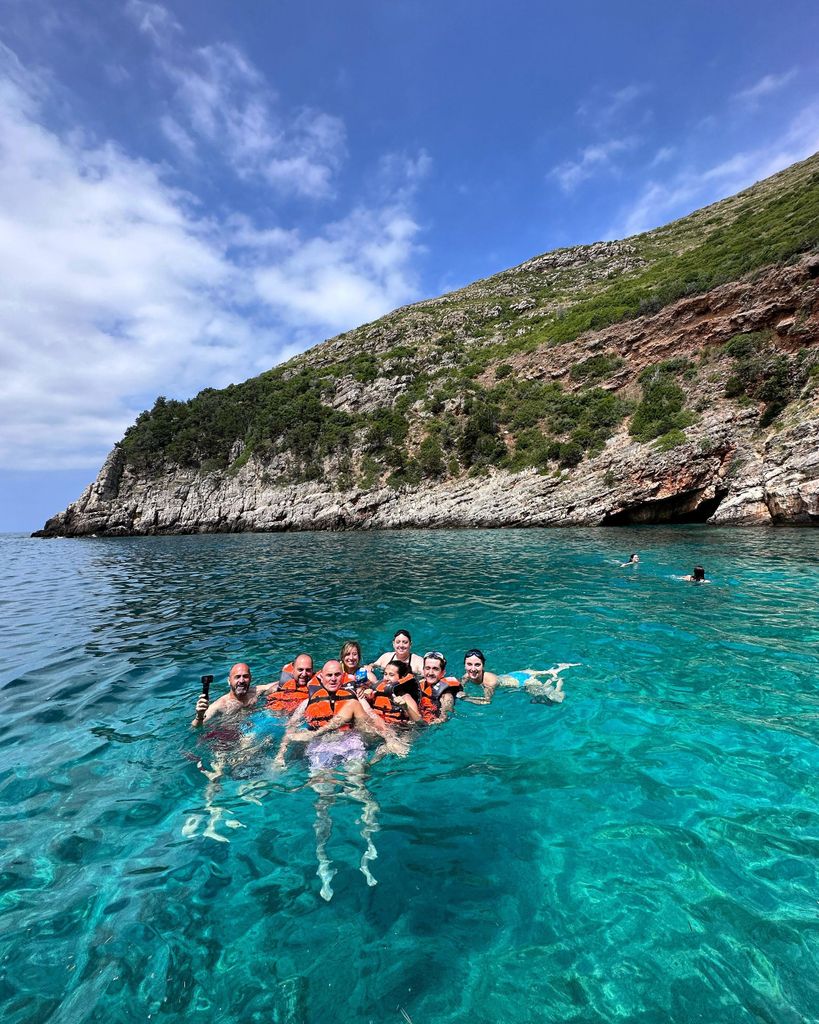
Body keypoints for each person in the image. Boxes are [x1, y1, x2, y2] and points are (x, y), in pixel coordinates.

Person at [191, 663, 277, 726]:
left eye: (245, 676)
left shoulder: (255, 692)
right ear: (229, 681)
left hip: (251, 724)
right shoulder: (220, 706)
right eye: (237, 677)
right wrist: (199, 715)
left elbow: (276, 685)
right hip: (227, 735)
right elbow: (195, 727)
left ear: (250, 679)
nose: (242, 681)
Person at [360, 659, 423, 725]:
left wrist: (406, 707)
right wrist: (369, 699)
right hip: (378, 725)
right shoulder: (376, 692)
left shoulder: (405, 697)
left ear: (402, 678)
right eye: (385, 674)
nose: (386, 678)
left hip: (399, 730)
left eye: (391, 675)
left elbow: (419, 722)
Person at [418, 651, 462, 724]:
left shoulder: (446, 696)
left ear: (443, 673)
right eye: (427, 668)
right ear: (423, 670)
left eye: (435, 669)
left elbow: (444, 718)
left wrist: (424, 724)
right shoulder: (419, 685)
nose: (430, 673)